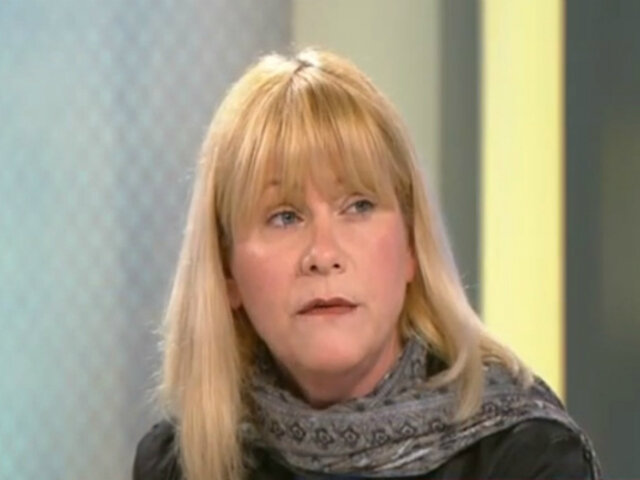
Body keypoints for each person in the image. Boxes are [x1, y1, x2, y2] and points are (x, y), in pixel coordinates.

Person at [133, 48, 601, 480]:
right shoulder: (180, 463)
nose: (323, 255)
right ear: (226, 270)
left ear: (411, 247)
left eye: (358, 206)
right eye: (285, 217)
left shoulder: (524, 455)